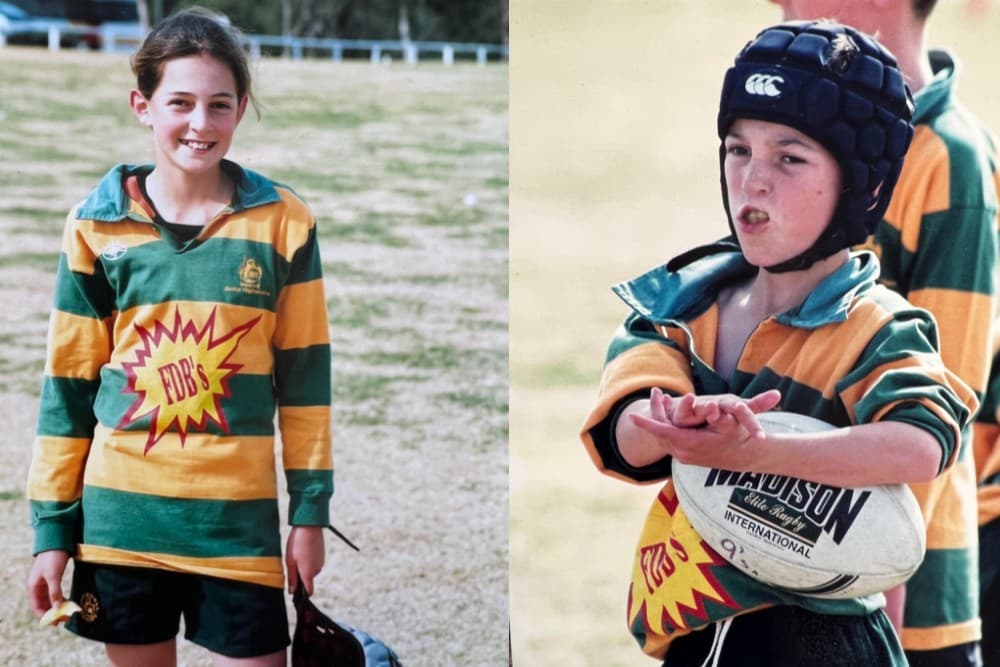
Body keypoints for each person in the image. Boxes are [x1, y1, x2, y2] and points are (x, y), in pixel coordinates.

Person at [580, 20, 979, 666]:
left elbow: (921, 443)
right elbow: (623, 432)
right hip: (700, 631)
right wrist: (673, 425)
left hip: (830, 643)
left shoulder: (875, 326)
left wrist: (757, 450)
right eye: (738, 150)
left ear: (863, 185)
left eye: (789, 158)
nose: (753, 180)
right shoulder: (681, 307)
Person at [25, 7, 334, 666]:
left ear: (242, 108)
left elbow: (307, 381)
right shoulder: (94, 224)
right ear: (143, 104)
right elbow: (68, 388)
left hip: (238, 524)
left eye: (219, 104)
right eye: (181, 102)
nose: (201, 123)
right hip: (119, 527)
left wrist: (309, 511)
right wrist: (52, 528)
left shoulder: (285, 222)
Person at [768, 3, 1000, 665]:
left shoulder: (947, 159)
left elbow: (942, 406)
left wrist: (880, 592)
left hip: (903, 600)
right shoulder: (803, 143)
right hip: (815, 570)